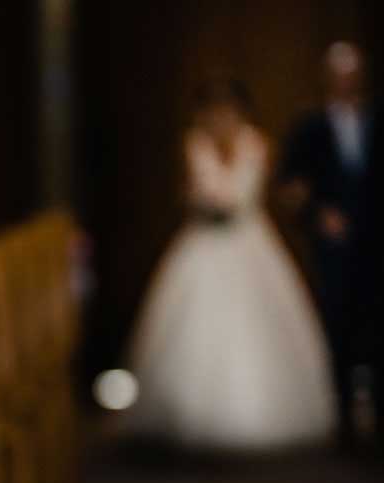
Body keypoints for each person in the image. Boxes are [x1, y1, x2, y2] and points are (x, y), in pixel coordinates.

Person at [126, 80, 334, 450]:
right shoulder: (195, 143)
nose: (221, 118)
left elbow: (246, 194)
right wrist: (204, 201)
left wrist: (224, 202)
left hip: (246, 241)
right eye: (214, 110)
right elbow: (192, 191)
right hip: (204, 242)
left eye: (228, 110)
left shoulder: (255, 143)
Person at [279, 42, 384, 448]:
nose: (346, 82)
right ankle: (344, 421)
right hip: (334, 247)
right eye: (339, 75)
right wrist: (318, 215)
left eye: (353, 74)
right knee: (340, 328)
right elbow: (292, 184)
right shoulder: (310, 127)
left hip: (378, 241)